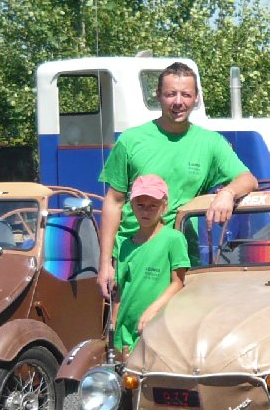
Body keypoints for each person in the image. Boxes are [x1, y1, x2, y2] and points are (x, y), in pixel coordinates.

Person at [96, 61, 257, 298]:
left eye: (186, 94)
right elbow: (114, 201)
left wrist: (227, 193)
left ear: (196, 98)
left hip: (180, 259)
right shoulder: (131, 140)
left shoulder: (210, 143)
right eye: (171, 94)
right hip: (133, 255)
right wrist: (104, 265)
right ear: (158, 96)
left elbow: (248, 179)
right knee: (131, 321)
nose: (178, 102)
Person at [112, 174, 190, 355]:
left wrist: (153, 310)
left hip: (156, 327)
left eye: (153, 205)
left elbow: (178, 282)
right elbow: (120, 292)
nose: (146, 211)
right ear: (132, 206)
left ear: (164, 206)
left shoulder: (173, 239)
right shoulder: (124, 245)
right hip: (124, 334)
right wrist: (113, 325)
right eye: (140, 205)